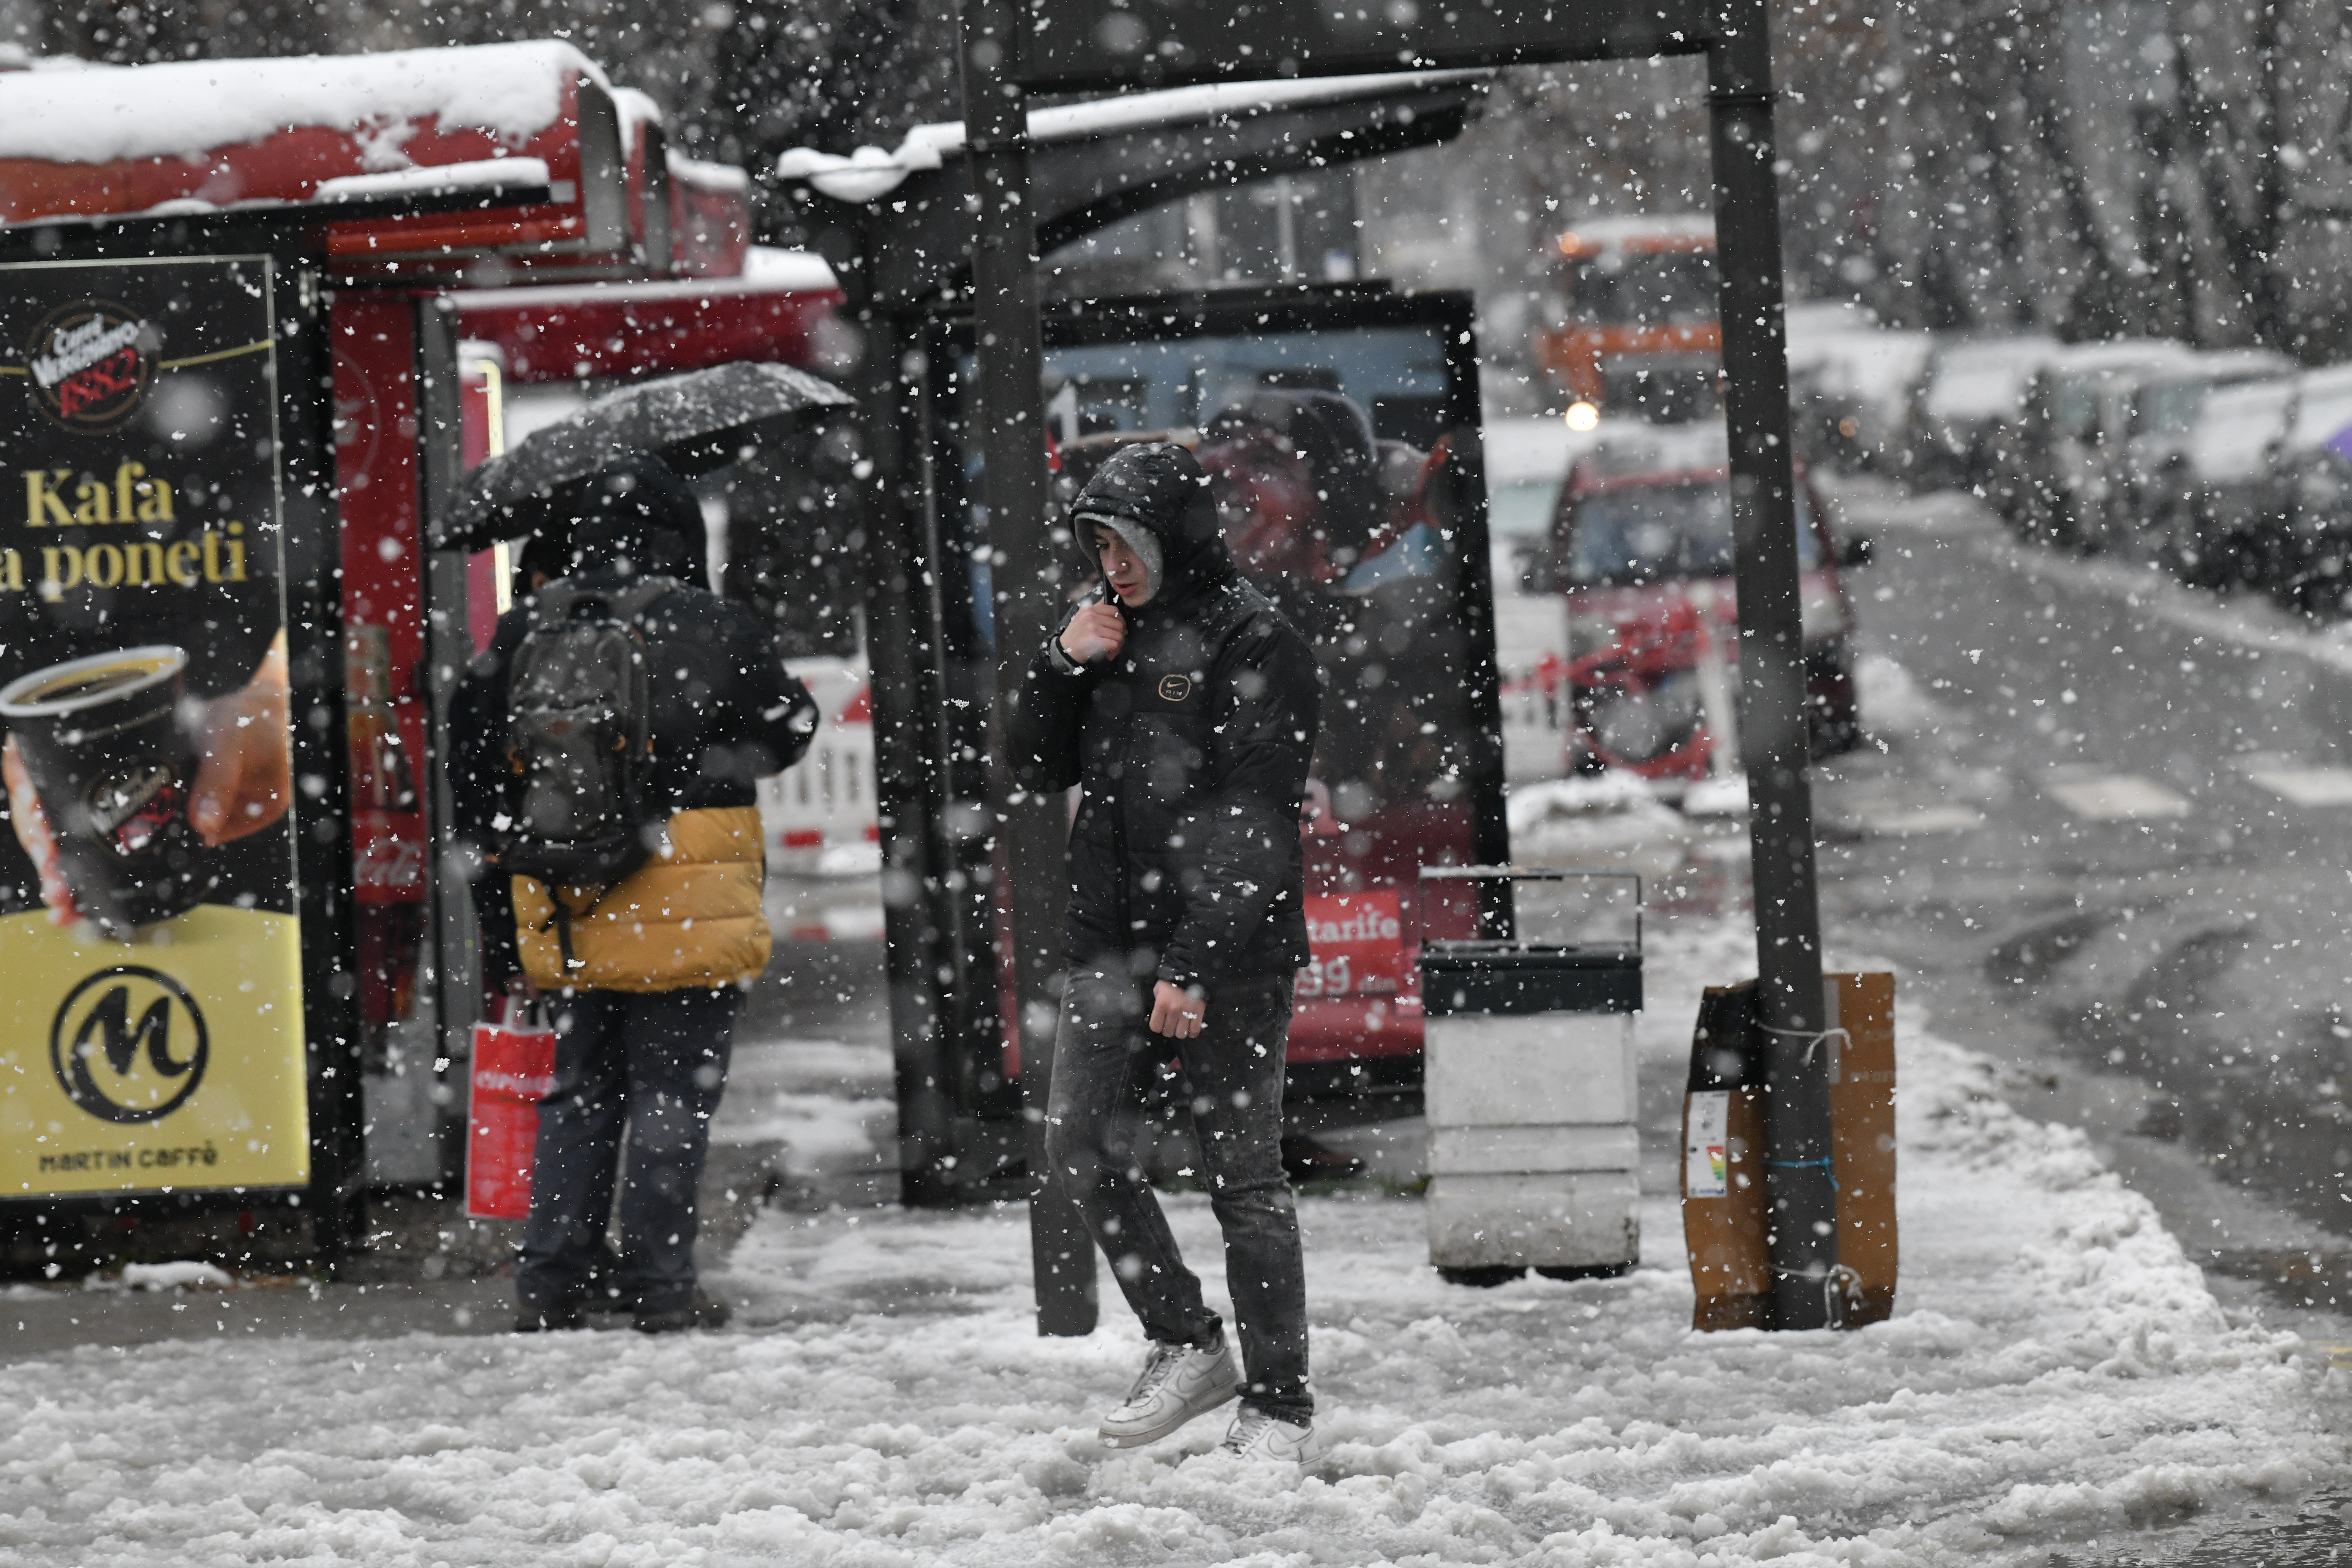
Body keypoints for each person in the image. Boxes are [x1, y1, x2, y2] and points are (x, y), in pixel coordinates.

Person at [1004, 440, 1326, 1464]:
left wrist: (1192, 964)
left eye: (1127, 539)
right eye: (1097, 543)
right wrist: (1062, 664)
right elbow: (1031, 761)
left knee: (1244, 1175)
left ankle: (1280, 1404)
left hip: (1226, 954)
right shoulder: (1105, 630)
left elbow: (1255, 822)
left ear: (1173, 532)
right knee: (1077, 1145)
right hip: (1110, 944)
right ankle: (1187, 1341)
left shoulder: (1253, 639)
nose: (1112, 561)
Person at [450, 453, 817, 1335]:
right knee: (672, 1095)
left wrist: (508, 910)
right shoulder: (712, 622)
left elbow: (473, 764)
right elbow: (790, 729)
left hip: (567, 894)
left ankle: (552, 1283)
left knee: (578, 1092)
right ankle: (661, 1287)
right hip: (689, 894)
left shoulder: (527, 626)